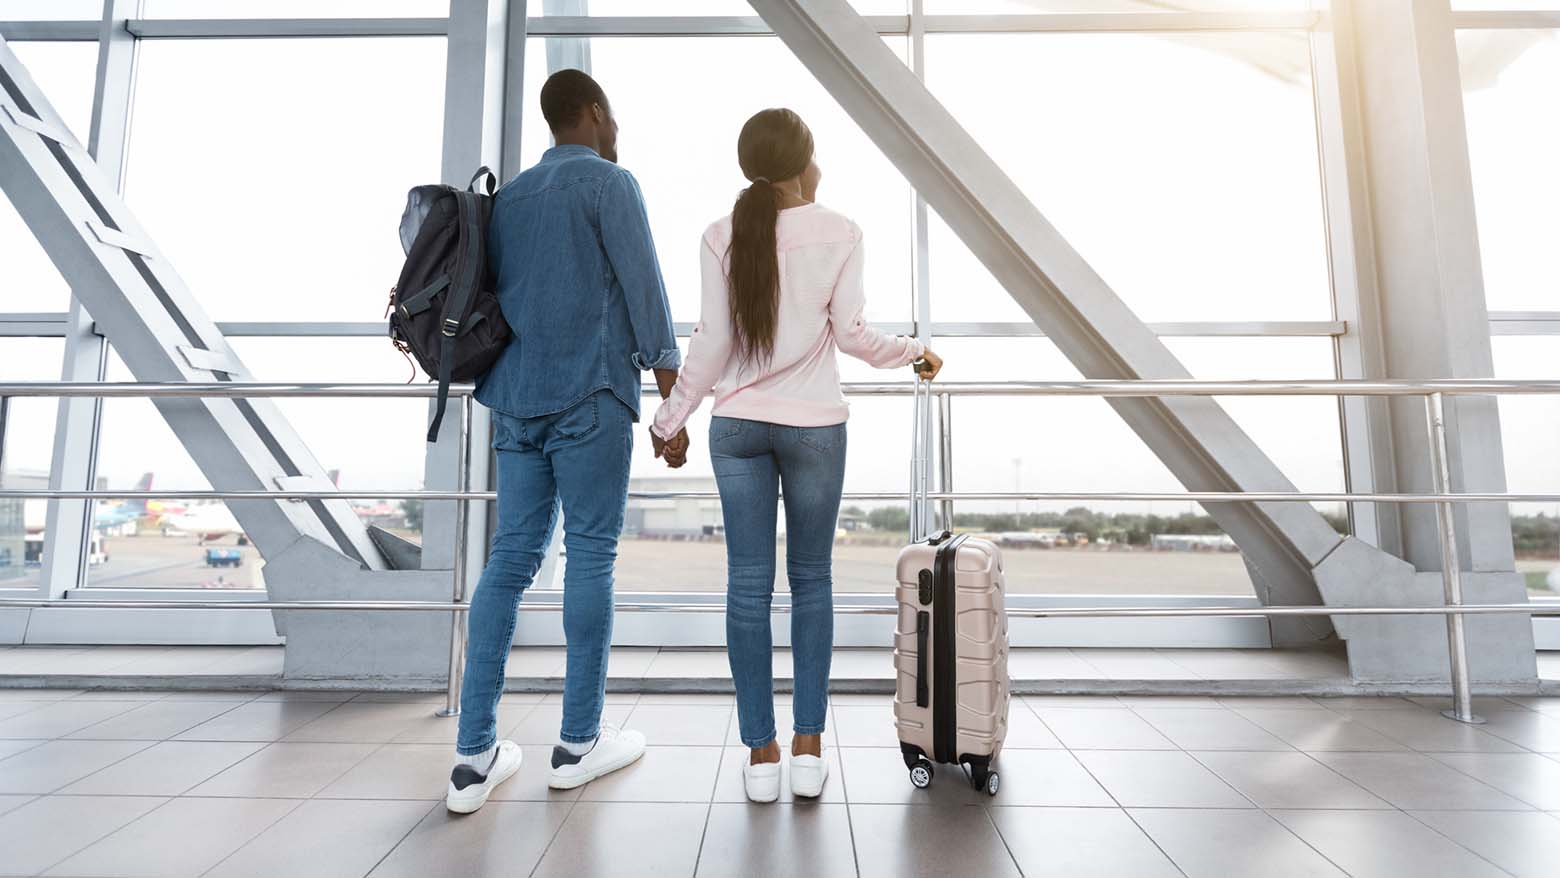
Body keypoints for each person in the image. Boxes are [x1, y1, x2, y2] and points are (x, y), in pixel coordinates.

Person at [650, 108, 942, 803]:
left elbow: (711, 343)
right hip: (815, 427)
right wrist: (914, 354)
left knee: (747, 588)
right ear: (805, 161)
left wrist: (669, 418)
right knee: (811, 582)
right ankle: (809, 749)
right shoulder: (840, 232)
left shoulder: (722, 235)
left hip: (738, 429)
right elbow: (854, 335)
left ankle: (761, 756)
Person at [446, 68, 690, 814]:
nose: (614, 129)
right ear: (592, 112)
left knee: (509, 563)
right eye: (610, 116)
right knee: (591, 556)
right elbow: (646, 293)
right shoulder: (610, 184)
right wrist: (672, 412)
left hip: (515, 403)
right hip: (589, 395)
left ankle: (472, 756)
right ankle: (577, 743)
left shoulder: (510, 197)